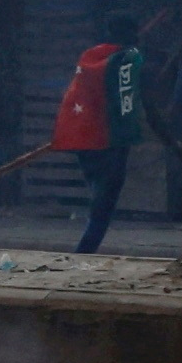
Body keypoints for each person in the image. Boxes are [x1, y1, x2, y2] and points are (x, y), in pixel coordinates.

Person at [52, 27, 150, 254]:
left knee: (98, 194)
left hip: (83, 138)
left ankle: (85, 249)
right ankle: (83, 253)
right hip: (110, 141)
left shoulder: (90, 58)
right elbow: (139, 102)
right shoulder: (128, 61)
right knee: (103, 205)